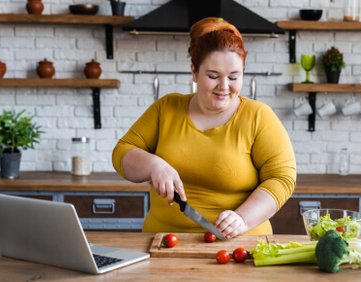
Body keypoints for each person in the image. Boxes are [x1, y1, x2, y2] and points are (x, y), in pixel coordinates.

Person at [112, 17, 296, 239]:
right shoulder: (166, 108)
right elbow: (122, 152)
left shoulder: (258, 116)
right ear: (194, 72)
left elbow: (282, 179)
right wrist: (153, 164)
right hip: (161, 241)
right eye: (213, 76)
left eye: (234, 77)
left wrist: (242, 218)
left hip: (239, 244)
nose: (224, 86)